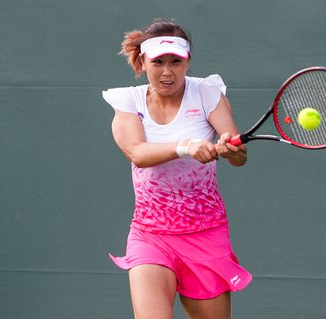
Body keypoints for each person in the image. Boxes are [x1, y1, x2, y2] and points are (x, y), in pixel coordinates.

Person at [102, 19, 252, 319]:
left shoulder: (207, 94)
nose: (167, 71)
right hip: (151, 235)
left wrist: (229, 147)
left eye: (176, 62)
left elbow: (239, 156)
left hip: (206, 233)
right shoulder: (128, 102)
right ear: (143, 62)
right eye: (158, 62)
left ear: (188, 63)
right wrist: (186, 146)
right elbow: (138, 153)